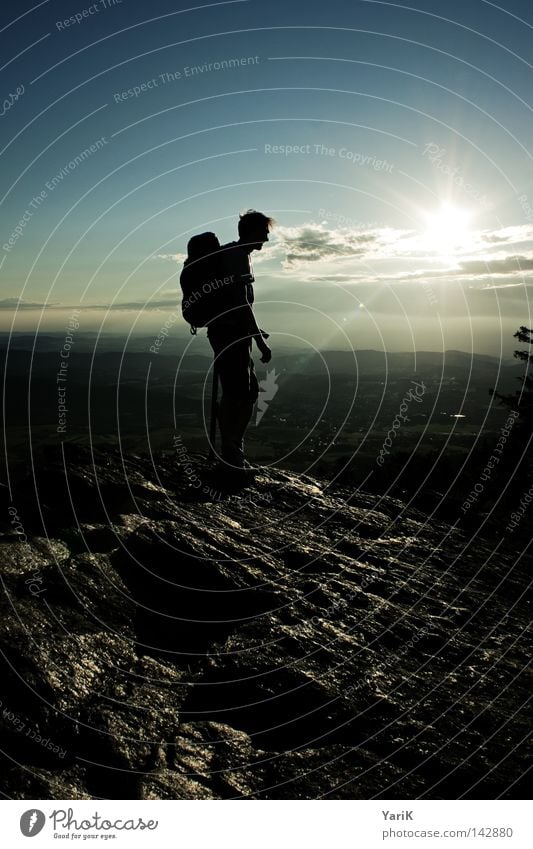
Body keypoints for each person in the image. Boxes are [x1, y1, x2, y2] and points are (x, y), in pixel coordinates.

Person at [207, 209, 275, 473]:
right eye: (264, 234)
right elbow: (241, 302)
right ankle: (230, 453)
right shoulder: (237, 258)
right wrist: (259, 340)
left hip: (232, 332)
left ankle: (234, 449)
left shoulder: (236, 255)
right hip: (230, 333)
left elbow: (240, 303)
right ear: (252, 232)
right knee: (237, 393)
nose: (266, 240)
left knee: (247, 391)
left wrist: (254, 333)